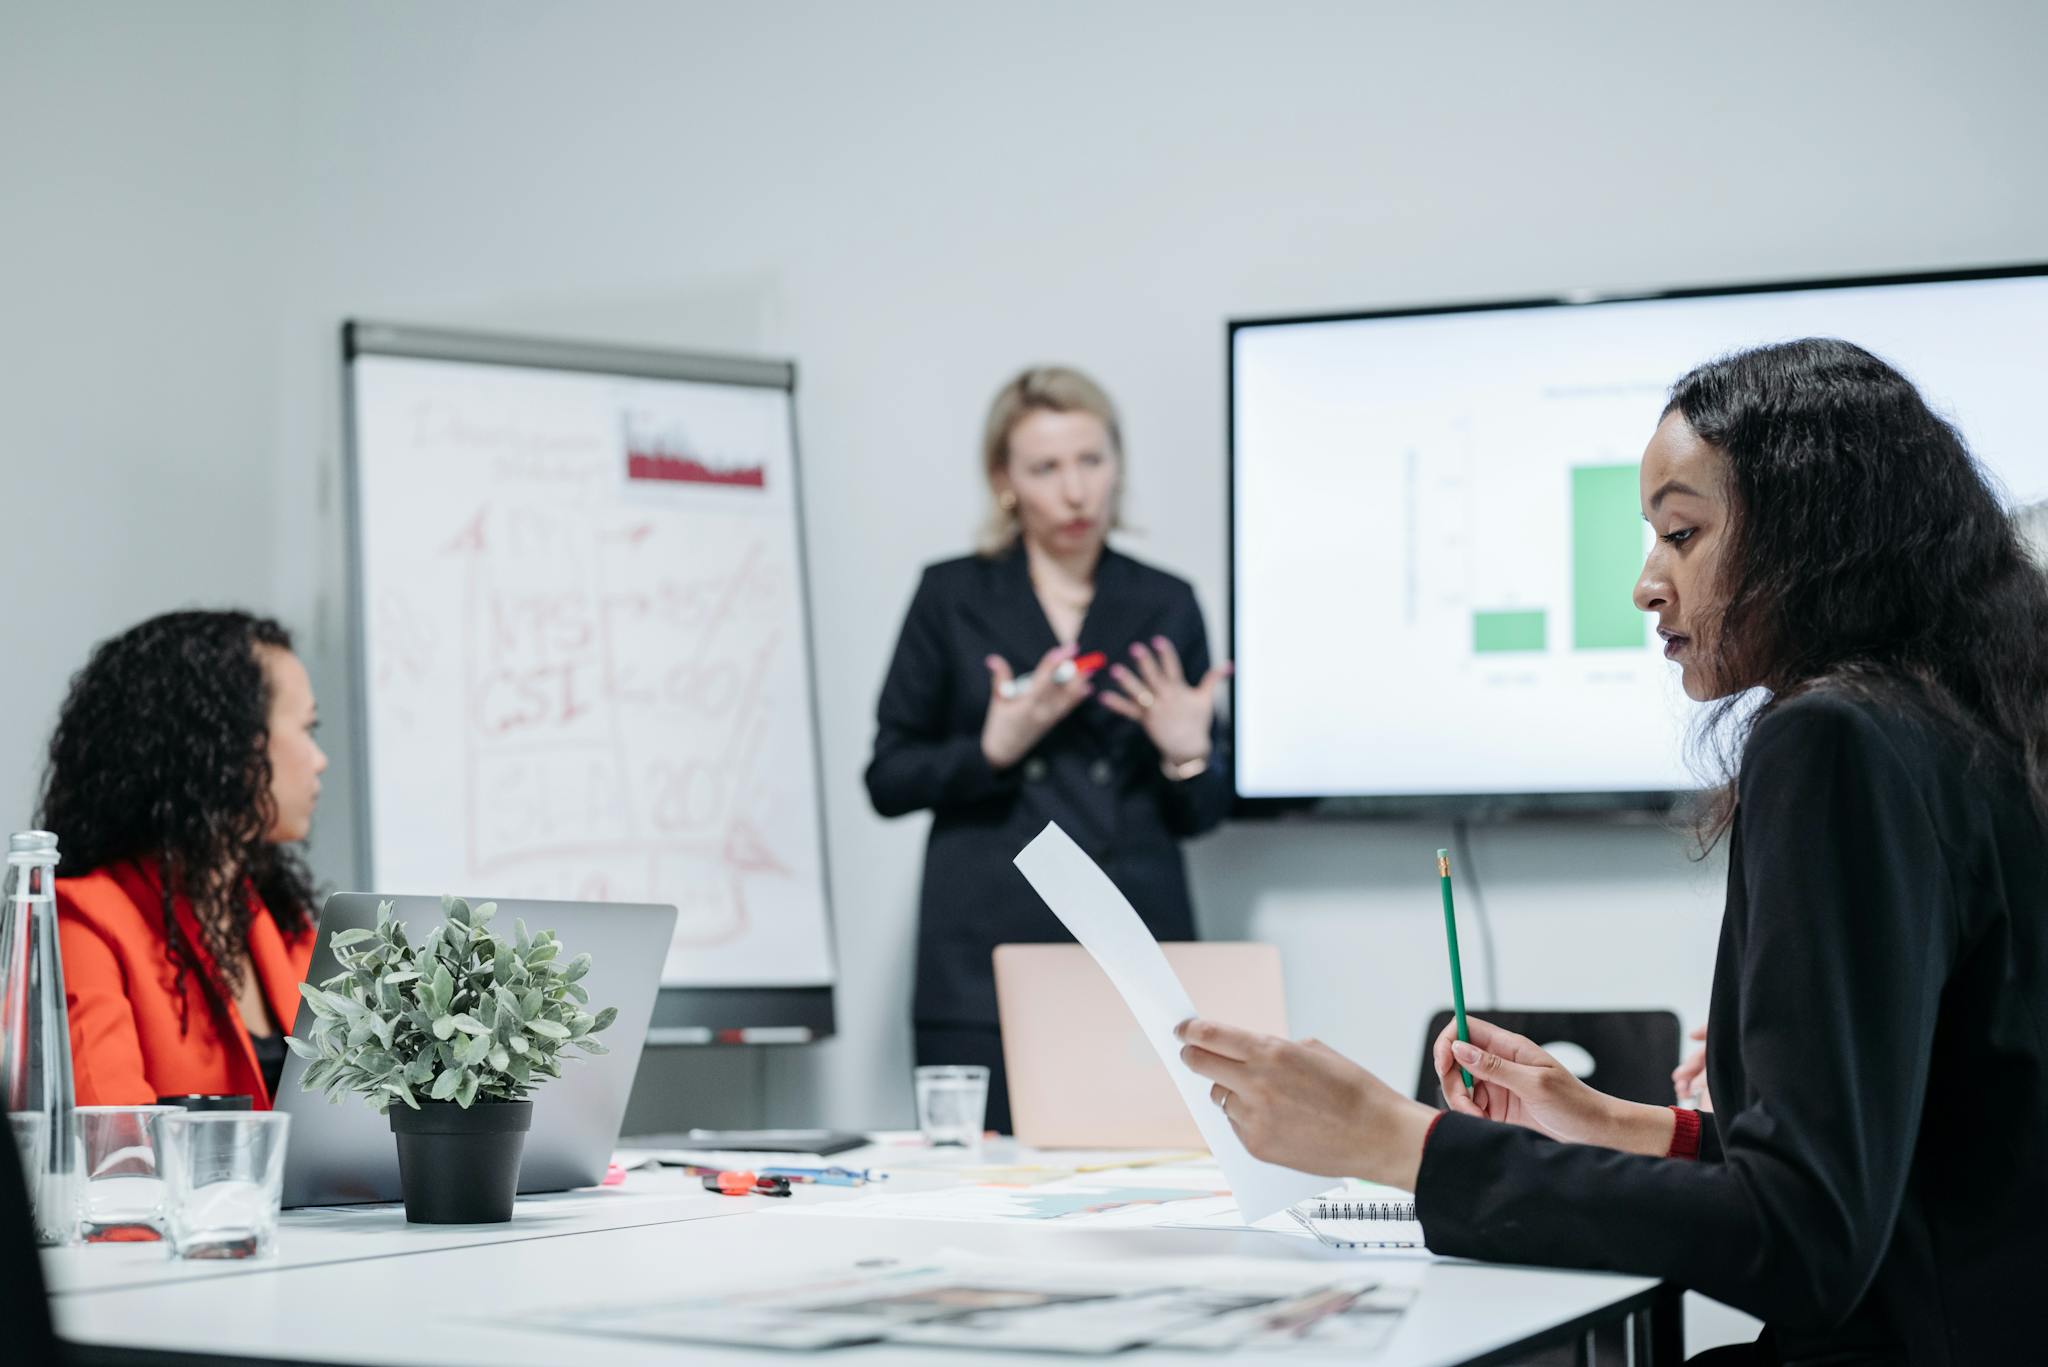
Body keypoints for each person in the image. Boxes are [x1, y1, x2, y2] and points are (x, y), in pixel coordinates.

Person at [1179, 339, 2048, 1365]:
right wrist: (1610, 1121)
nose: (1645, 583)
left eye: (1679, 533)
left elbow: (1802, 1238)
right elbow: (1906, 1155)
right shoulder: (1970, 723)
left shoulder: (1831, 737)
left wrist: (1394, 1140)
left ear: (1813, 530)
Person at [866, 366, 1232, 1132]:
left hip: (1133, 937)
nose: (1075, 492)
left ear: (1118, 466)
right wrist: (993, 748)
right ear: (1005, 480)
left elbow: (1201, 813)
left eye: (1091, 461)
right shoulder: (952, 595)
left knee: (1153, 1179)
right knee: (982, 1192)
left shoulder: (1166, 600)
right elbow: (888, 776)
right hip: (984, 950)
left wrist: (1186, 753)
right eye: (1046, 468)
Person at [45, 610, 328, 1107]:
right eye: (308, 729)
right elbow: (116, 1149)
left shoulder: (284, 923)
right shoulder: (81, 922)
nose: (319, 758)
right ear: (227, 746)